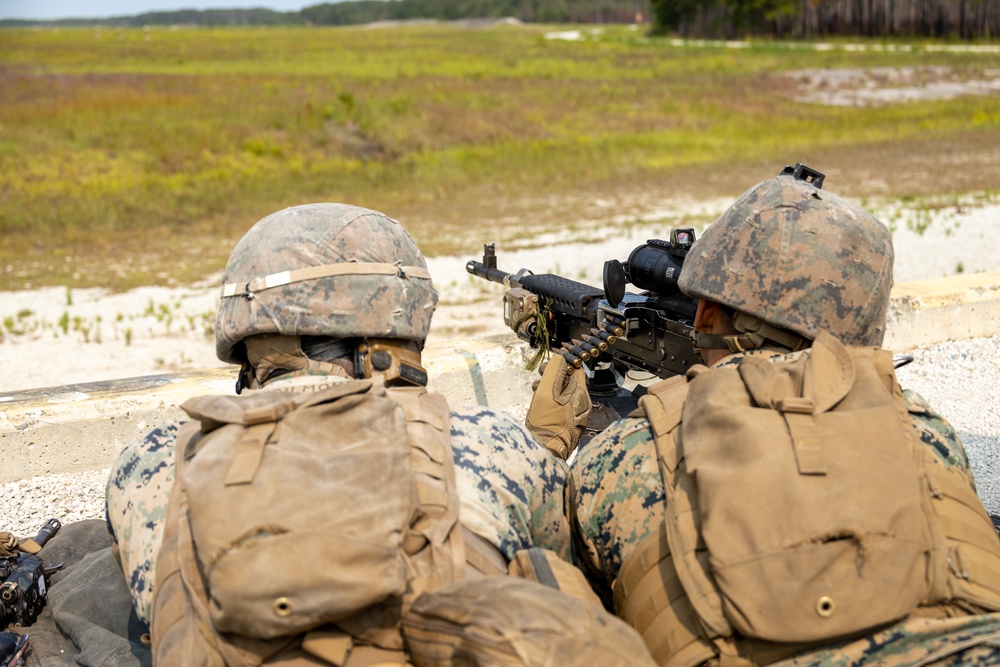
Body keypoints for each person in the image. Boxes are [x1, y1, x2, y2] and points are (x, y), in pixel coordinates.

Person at [549, 169, 1000, 666]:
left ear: (703, 315)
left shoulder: (620, 460)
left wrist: (546, 447)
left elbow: (558, 618)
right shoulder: (924, 429)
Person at [104, 203, 575, 663]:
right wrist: (546, 450)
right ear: (397, 317)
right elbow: (557, 574)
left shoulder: (155, 457)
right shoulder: (492, 442)